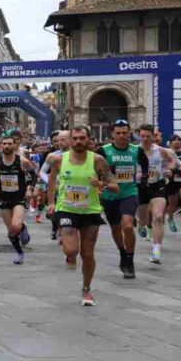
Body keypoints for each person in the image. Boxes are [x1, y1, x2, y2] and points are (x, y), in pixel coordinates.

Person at [46, 126, 118, 306]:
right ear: (71, 140)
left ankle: (86, 288)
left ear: (89, 139)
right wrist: (51, 203)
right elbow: (52, 183)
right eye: (75, 138)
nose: (78, 141)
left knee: (87, 253)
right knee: (71, 250)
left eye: (82, 138)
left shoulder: (98, 160)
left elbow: (115, 186)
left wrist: (101, 184)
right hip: (67, 208)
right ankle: (70, 255)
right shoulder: (59, 160)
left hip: (90, 211)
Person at [95, 120, 147, 279]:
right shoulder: (103, 151)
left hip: (129, 192)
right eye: (118, 133)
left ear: (130, 133)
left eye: (125, 133)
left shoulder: (136, 150)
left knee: (128, 225)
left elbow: (145, 164)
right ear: (112, 134)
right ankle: (122, 253)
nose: (122, 136)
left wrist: (144, 180)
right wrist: (100, 184)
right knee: (116, 228)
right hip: (109, 195)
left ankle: (130, 260)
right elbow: (96, 170)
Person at [0, 136, 34, 265]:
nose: (7, 146)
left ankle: (22, 227)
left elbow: (33, 176)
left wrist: (29, 188)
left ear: (14, 145)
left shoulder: (22, 161)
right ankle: (20, 253)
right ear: (0, 146)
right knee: (11, 232)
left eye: (9, 144)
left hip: (18, 198)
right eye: (4, 144)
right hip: (4, 198)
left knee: (15, 226)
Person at [136, 124, 177, 264]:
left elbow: (171, 160)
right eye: (142, 136)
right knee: (143, 219)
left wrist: (170, 170)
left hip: (157, 185)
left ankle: (156, 249)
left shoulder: (160, 150)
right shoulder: (134, 151)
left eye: (148, 136)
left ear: (153, 137)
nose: (145, 139)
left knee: (158, 217)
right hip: (141, 187)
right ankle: (141, 224)